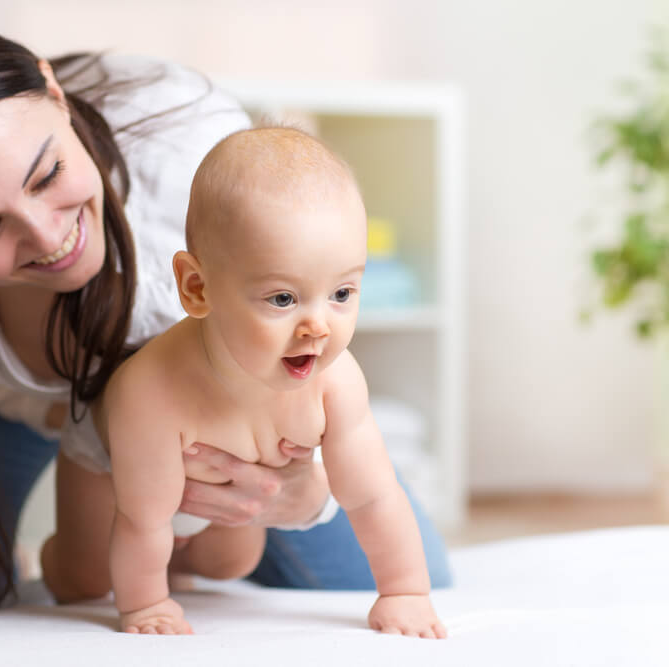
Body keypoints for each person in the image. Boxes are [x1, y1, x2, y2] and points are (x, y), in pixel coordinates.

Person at [0, 17, 452, 618]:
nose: (48, 237)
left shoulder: (186, 144)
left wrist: (303, 492)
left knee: (355, 567)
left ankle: (181, 553)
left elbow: (366, 499)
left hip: (216, 403)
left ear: (55, 93)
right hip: (47, 411)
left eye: (48, 174)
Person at [43, 127, 447, 638]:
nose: (318, 327)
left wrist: (404, 591)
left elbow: (373, 497)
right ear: (197, 288)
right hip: (113, 462)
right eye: (283, 299)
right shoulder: (150, 393)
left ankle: (178, 565)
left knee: (230, 561)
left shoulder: (335, 383)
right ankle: (63, 559)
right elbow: (141, 521)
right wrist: (146, 607)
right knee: (88, 576)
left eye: (342, 293)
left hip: (226, 470)